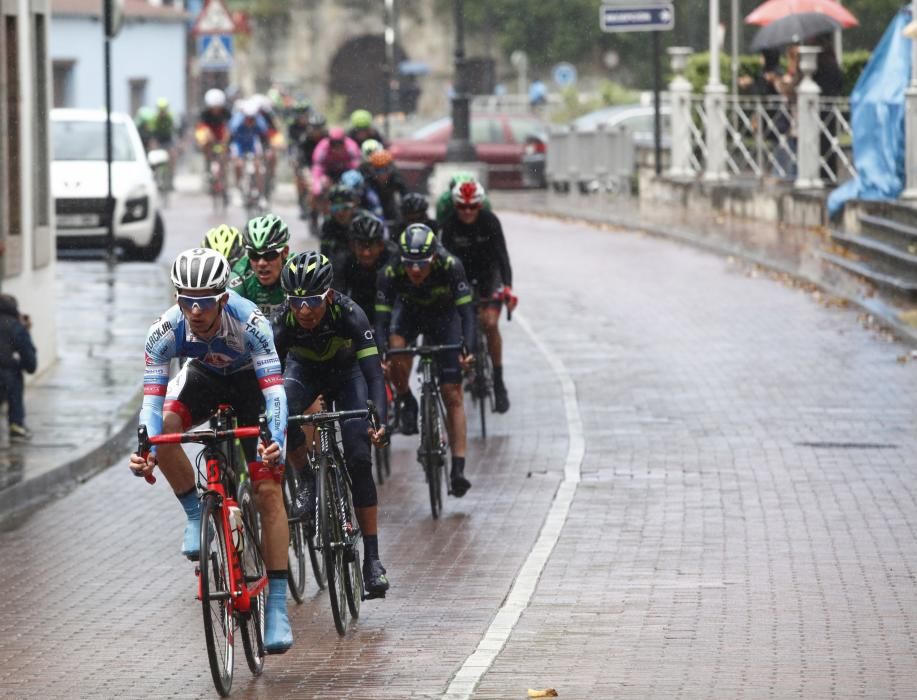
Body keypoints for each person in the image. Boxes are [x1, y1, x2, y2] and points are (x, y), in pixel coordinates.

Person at [129, 248, 292, 653]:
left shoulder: (251, 322)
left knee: (268, 490)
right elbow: (151, 401)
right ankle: (194, 512)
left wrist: (275, 442)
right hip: (202, 378)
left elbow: (274, 393)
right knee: (164, 430)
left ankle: (276, 604)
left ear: (222, 299)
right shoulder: (164, 331)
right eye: (186, 300)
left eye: (204, 302)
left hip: (248, 384)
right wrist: (145, 447)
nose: (195, 311)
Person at [273, 251, 391, 597]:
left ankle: (372, 560)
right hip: (303, 373)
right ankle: (308, 479)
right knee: (280, 413)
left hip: (347, 375)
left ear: (327, 294)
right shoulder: (283, 321)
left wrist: (379, 419)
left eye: (312, 301)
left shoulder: (351, 314)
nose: (304, 310)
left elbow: (373, 374)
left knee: (357, 456)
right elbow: (269, 386)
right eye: (296, 302)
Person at [375, 224, 476, 497]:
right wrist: (382, 353)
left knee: (452, 393)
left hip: (446, 318)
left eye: (421, 264)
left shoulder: (451, 265)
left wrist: (468, 349)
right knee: (395, 347)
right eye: (410, 264)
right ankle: (407, 399)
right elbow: (382, 321)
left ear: (434, 257)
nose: (415, 270)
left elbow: (467, 314)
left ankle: (458, 468)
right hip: (410, 313)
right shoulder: (390, 271)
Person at [439, 179, 516, 413]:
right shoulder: (450, 225)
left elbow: (503, 257)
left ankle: (498, 381)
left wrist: (508, 287)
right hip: (460, 275)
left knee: (490, 323)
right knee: (462, 322)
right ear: (455, 206)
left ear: (481, 205)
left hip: (487, 275)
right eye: (463, 207)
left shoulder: (490, 222)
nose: (468, 212)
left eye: (473, 207)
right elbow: (444, 264)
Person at [335, 213, 397, 323]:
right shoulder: (343, 262)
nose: (366, 253)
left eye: (371, 246)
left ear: (381, 245)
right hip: (357, 310)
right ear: (352, 246)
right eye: (361, 246)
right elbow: (336, 298)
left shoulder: (393, 259)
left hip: (389, 309)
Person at [229, 214, 291, 319]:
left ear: (285, 252)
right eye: (254, 255)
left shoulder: (295, 272)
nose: (261, 263)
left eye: (269, 255)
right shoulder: (240, 276)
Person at [0, 294, 37, 442]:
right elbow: (30, 361)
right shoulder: (16, 327)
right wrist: (26, 330)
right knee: (13, 375)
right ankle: (16, 424)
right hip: (7, 377)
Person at [229, 99, 269, 207]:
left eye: (252, 118)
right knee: (238, 164)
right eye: (247, 118)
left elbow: (264, 137)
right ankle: (238, 189)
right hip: (239, 144)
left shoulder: (259, 121)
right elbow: (230, 138)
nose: (250, 121)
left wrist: (264, 152)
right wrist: (232, 155)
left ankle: (261, 196)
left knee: (260, 168)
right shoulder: (236, 121)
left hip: (252, 143)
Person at [194, 89, 232, 192]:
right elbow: (200, 129)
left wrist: (226, 141)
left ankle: (224, 176)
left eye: (218, 107)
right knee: (206, 139)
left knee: (224, 152)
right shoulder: (204, 114)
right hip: (209, 135)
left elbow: (229, 128)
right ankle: (208, 166)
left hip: (221, 135)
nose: (216, 110)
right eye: (213, 108)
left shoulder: (226, 113)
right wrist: (203, 141)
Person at [310, 127, 361, 202]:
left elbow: (356, 166)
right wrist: (317, 186)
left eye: (340, 143)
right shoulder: (322, 148)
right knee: (320, 189)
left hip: (346, 173)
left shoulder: (351, 147)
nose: (337, 146)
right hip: (328, 174)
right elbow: (317, 168)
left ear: (344, 141)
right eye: (333, 143)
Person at [364, 150, 408, 229]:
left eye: (385, 169)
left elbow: (405, 197)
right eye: (378, 170)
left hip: (391, 207)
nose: (382, 174)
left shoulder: (397, 179)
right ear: (371, 170)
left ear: (391, 168)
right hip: (373, 210)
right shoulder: (368, 181)